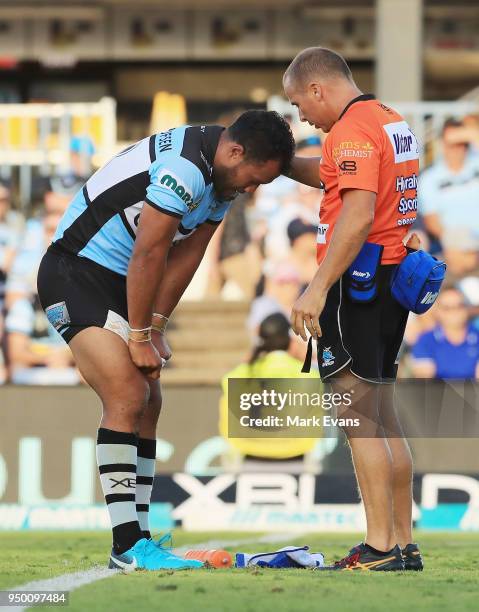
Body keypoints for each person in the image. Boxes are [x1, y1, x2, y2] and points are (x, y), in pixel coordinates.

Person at [36, 110, 295, 571]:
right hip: (75, 273)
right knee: (127, 391)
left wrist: (155, 326)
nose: (252, 190)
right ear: (235, 152)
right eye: (254, 179)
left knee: (150, 401)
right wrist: (138, 334)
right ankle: (126, 547)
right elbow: (151, 250)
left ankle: (140, 538)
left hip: (120, 280)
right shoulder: (185, 168)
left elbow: (188, 255)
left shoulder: (222, 176)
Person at [283, 47, 422, 571]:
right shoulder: (389, 119)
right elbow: (335, 177)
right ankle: (403, 544)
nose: (301, 116)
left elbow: (358, 214)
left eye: (299, 103)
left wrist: (317, 288)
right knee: (384, 418)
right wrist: (279, 166)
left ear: (319, 89)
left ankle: (380, 547)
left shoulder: (349, 130)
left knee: (358, 418)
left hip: (355, 284)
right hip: (391, 279)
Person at [219, 312, 320, 472]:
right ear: (290, 341)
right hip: (296, 458)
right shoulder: (309, 375)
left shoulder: (238, 374)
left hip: (247, 458)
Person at [419, 118, 479, 276]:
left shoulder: (475, 163)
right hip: (455, 245)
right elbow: (432, 222)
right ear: (443, 145)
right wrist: (456, 244)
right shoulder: (430, 178)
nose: (458, 150)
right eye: (452, 144)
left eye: (462, 144)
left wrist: (466, 134)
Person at [411, 287, 479, 379]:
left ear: (467, 308)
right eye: (447, 308)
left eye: (459, 305)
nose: (454, 311)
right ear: (438, 311)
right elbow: (424, 379)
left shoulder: (476, 336)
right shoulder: (426, 340)